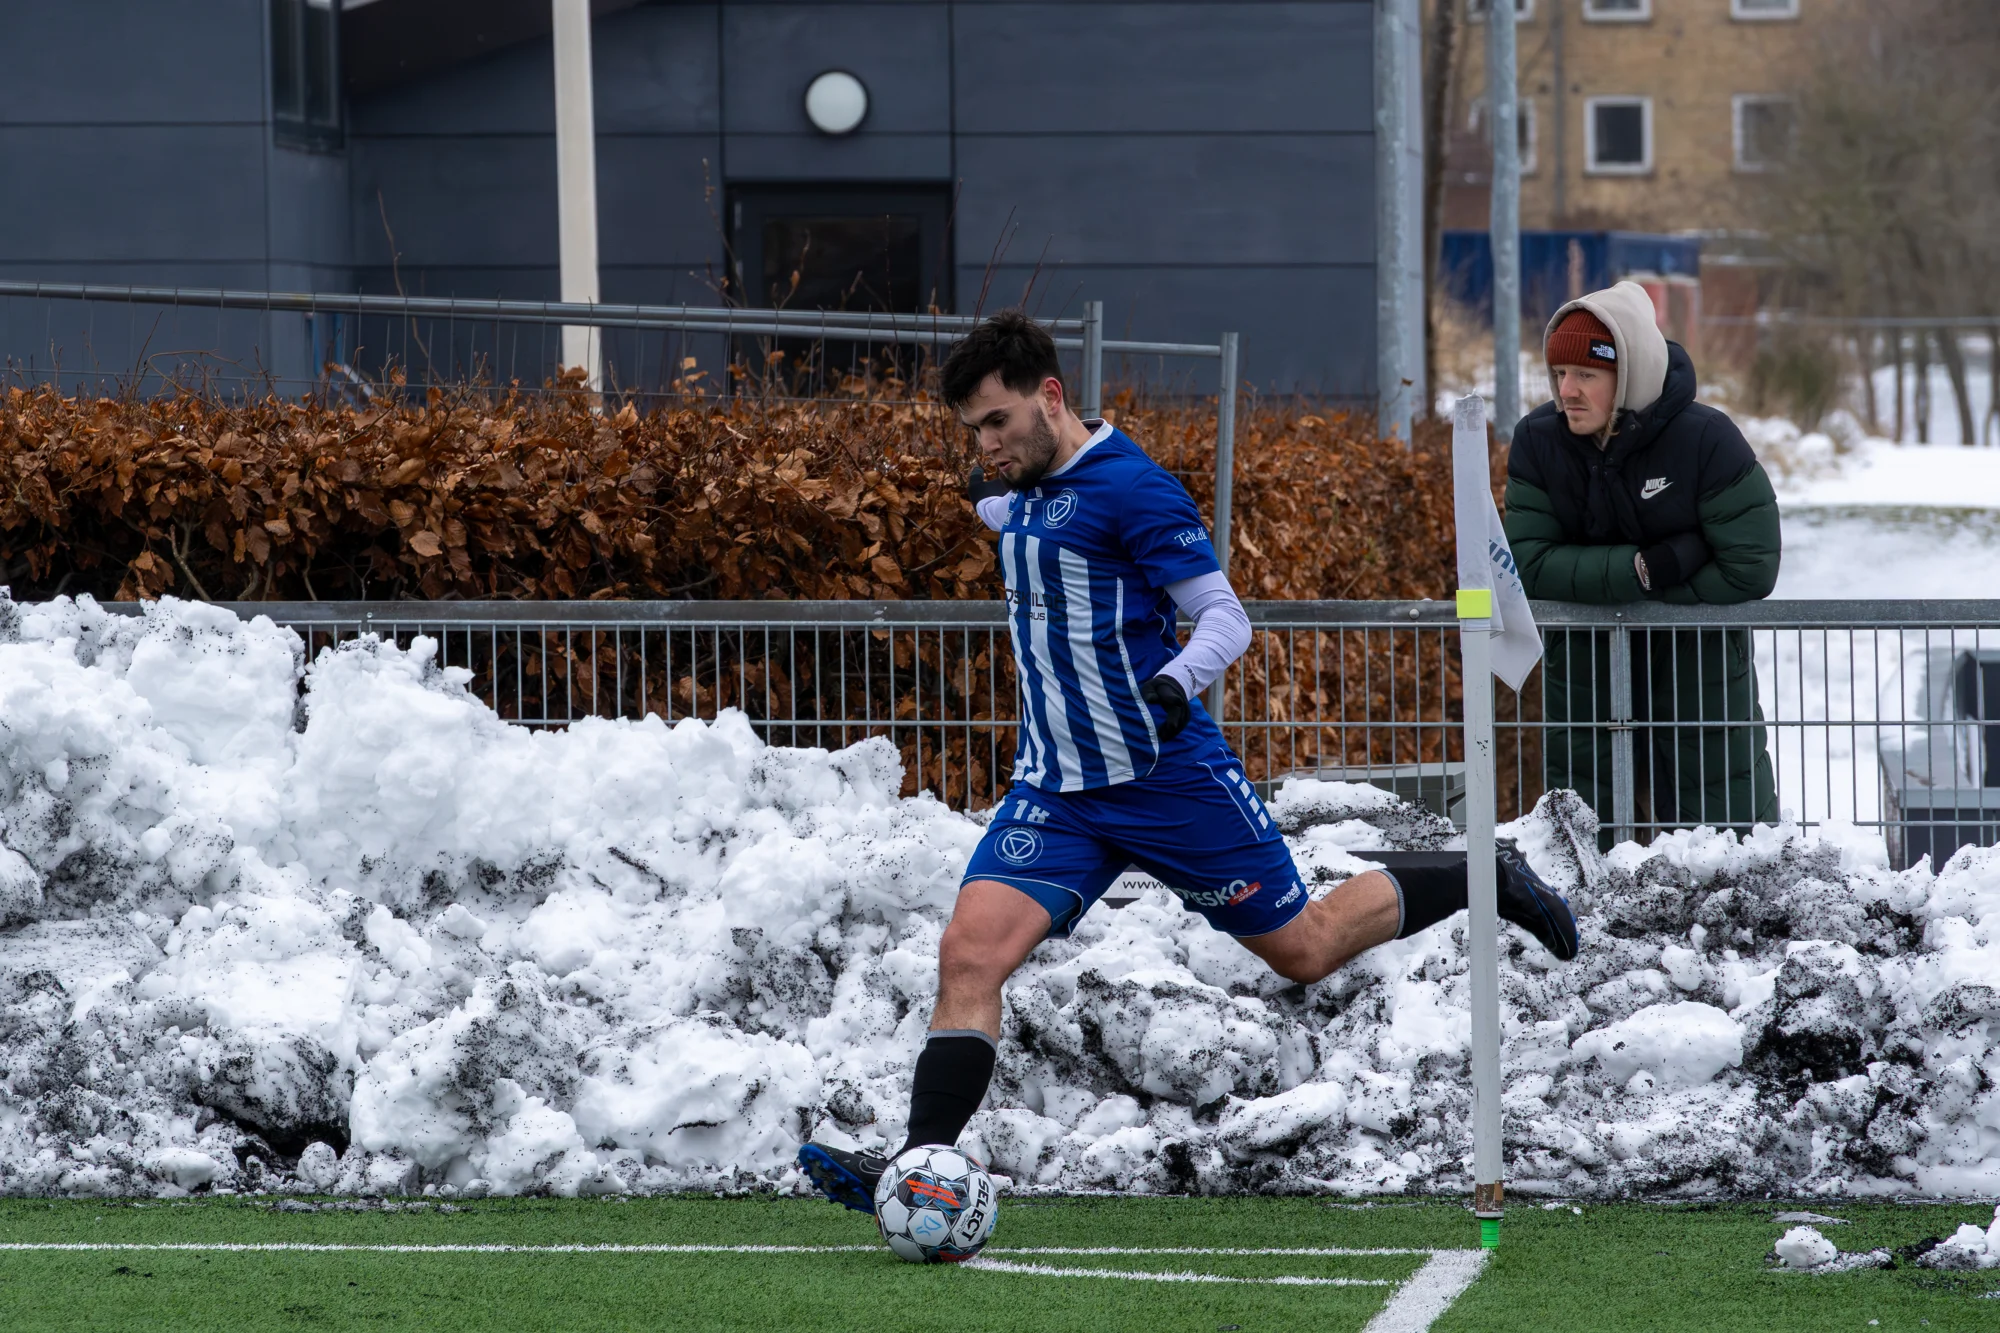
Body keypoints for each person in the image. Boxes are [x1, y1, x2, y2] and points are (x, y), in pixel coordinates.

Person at [796, 310, 1580, 1212]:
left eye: (998, 421)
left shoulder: (1137, 489)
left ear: (1052, 398)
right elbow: (1017, 512)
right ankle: (918, 1164)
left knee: (1305, 948)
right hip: (1057, 793)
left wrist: (1175, 683)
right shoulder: (1015, 492)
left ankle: (1488, 871)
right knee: (968, 957)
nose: (986, 443)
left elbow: (1225, 617)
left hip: (1169, 780)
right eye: (973, 429)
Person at [1502, 281, 1782, 842]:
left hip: (1701, 684)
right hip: (1585, 684)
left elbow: (1750, 566)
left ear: (1627, 374)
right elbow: (1530, 566)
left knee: (1726, 864)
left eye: (1587, 374)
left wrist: (1637, 585)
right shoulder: (1538, 442)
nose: (1568, 391)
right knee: (1589, 859)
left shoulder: (1706, 440)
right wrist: (1648, 568)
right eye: (1559, 374)